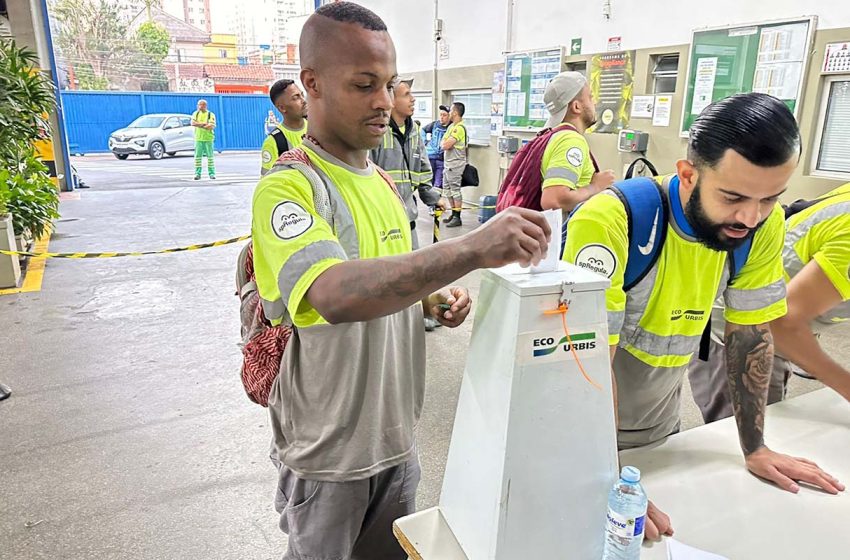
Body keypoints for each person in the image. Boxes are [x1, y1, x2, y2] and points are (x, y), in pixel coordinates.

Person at [250, 4, 551, 559]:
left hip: (396, 438)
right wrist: (470, 249)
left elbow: (390, 278)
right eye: (365, 85)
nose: (384, 102)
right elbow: (334, 293)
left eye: (389, 85)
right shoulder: (289, 187)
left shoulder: (385, 183)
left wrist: (431, 301)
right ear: (311, 84)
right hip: (329, 454)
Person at [563, 92, 844, 542]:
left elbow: (750, 335)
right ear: (688, 175)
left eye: (770, 199)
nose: (750, 217)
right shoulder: (612, 221)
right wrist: (601, 476)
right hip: (574, 434)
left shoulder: (760, 226)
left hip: (655, 426)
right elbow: (586, 366)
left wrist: (755, 447)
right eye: (733, 197)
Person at [688, 182, 850, 422]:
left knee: (775, 427)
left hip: (779, 320)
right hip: (741, 326)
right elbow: (782, 324)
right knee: (750, 440)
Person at [369, 77, 443, 331]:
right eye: (407, 94)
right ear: (391, 100)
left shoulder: (414, 130)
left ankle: (421, 313)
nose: (413, 99)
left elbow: (422, 170)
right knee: (388, 274)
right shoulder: (377, 131)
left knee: (416, 270)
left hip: (407, 216)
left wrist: (433, 198)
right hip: (381, 219)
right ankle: (391, 321)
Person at [539, 71, 615, 213]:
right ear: (576, 106)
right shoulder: (571, 141)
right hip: (563, 233)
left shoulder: (552, 135)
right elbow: (553, 200)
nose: (595, 102)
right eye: (590, 97)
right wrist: (596, 187)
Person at [261, 79, 309, 176]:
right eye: (296, 97)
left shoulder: (317, 129)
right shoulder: (274, 142)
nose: (303, 101)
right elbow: (269, 182)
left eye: (302, 95)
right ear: (282, 108)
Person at [440, 102, 467, 228]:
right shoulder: (451, 127)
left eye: (450, 110)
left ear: (455, 113)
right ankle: (453, 213)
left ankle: (457, 217)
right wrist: (445, 143)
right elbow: (442, 142)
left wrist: (445, 143)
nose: (449, 113)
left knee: (455, 191)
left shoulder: (459, 128)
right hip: (448, 164)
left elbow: (445, 145)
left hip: (455, 165)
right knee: (448, 190)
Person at [421, 104, 450, 194]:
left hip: (442, 159)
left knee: (438, 184)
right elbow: (423, 130)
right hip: (431, 157)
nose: (441, 117)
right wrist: (425, 142)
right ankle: (431, 205)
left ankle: (437, 205)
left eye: (444, 115)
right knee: (430, 181)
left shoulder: (451, 127)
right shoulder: (434, 124)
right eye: (440, 115)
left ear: (449, 116)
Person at [191, 99, 216, 180]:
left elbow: (211, 126)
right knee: (198, 157)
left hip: (208, 138)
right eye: (199, 105)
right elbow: (193, 123)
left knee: (210, 157)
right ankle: (197, 174)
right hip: (198, 138)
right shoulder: (196, 114)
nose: (200, 106)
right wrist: (204, 124)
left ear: (205, 105)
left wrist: (199, 125)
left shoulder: (210, 114)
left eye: (201, 105)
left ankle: (212, 173)